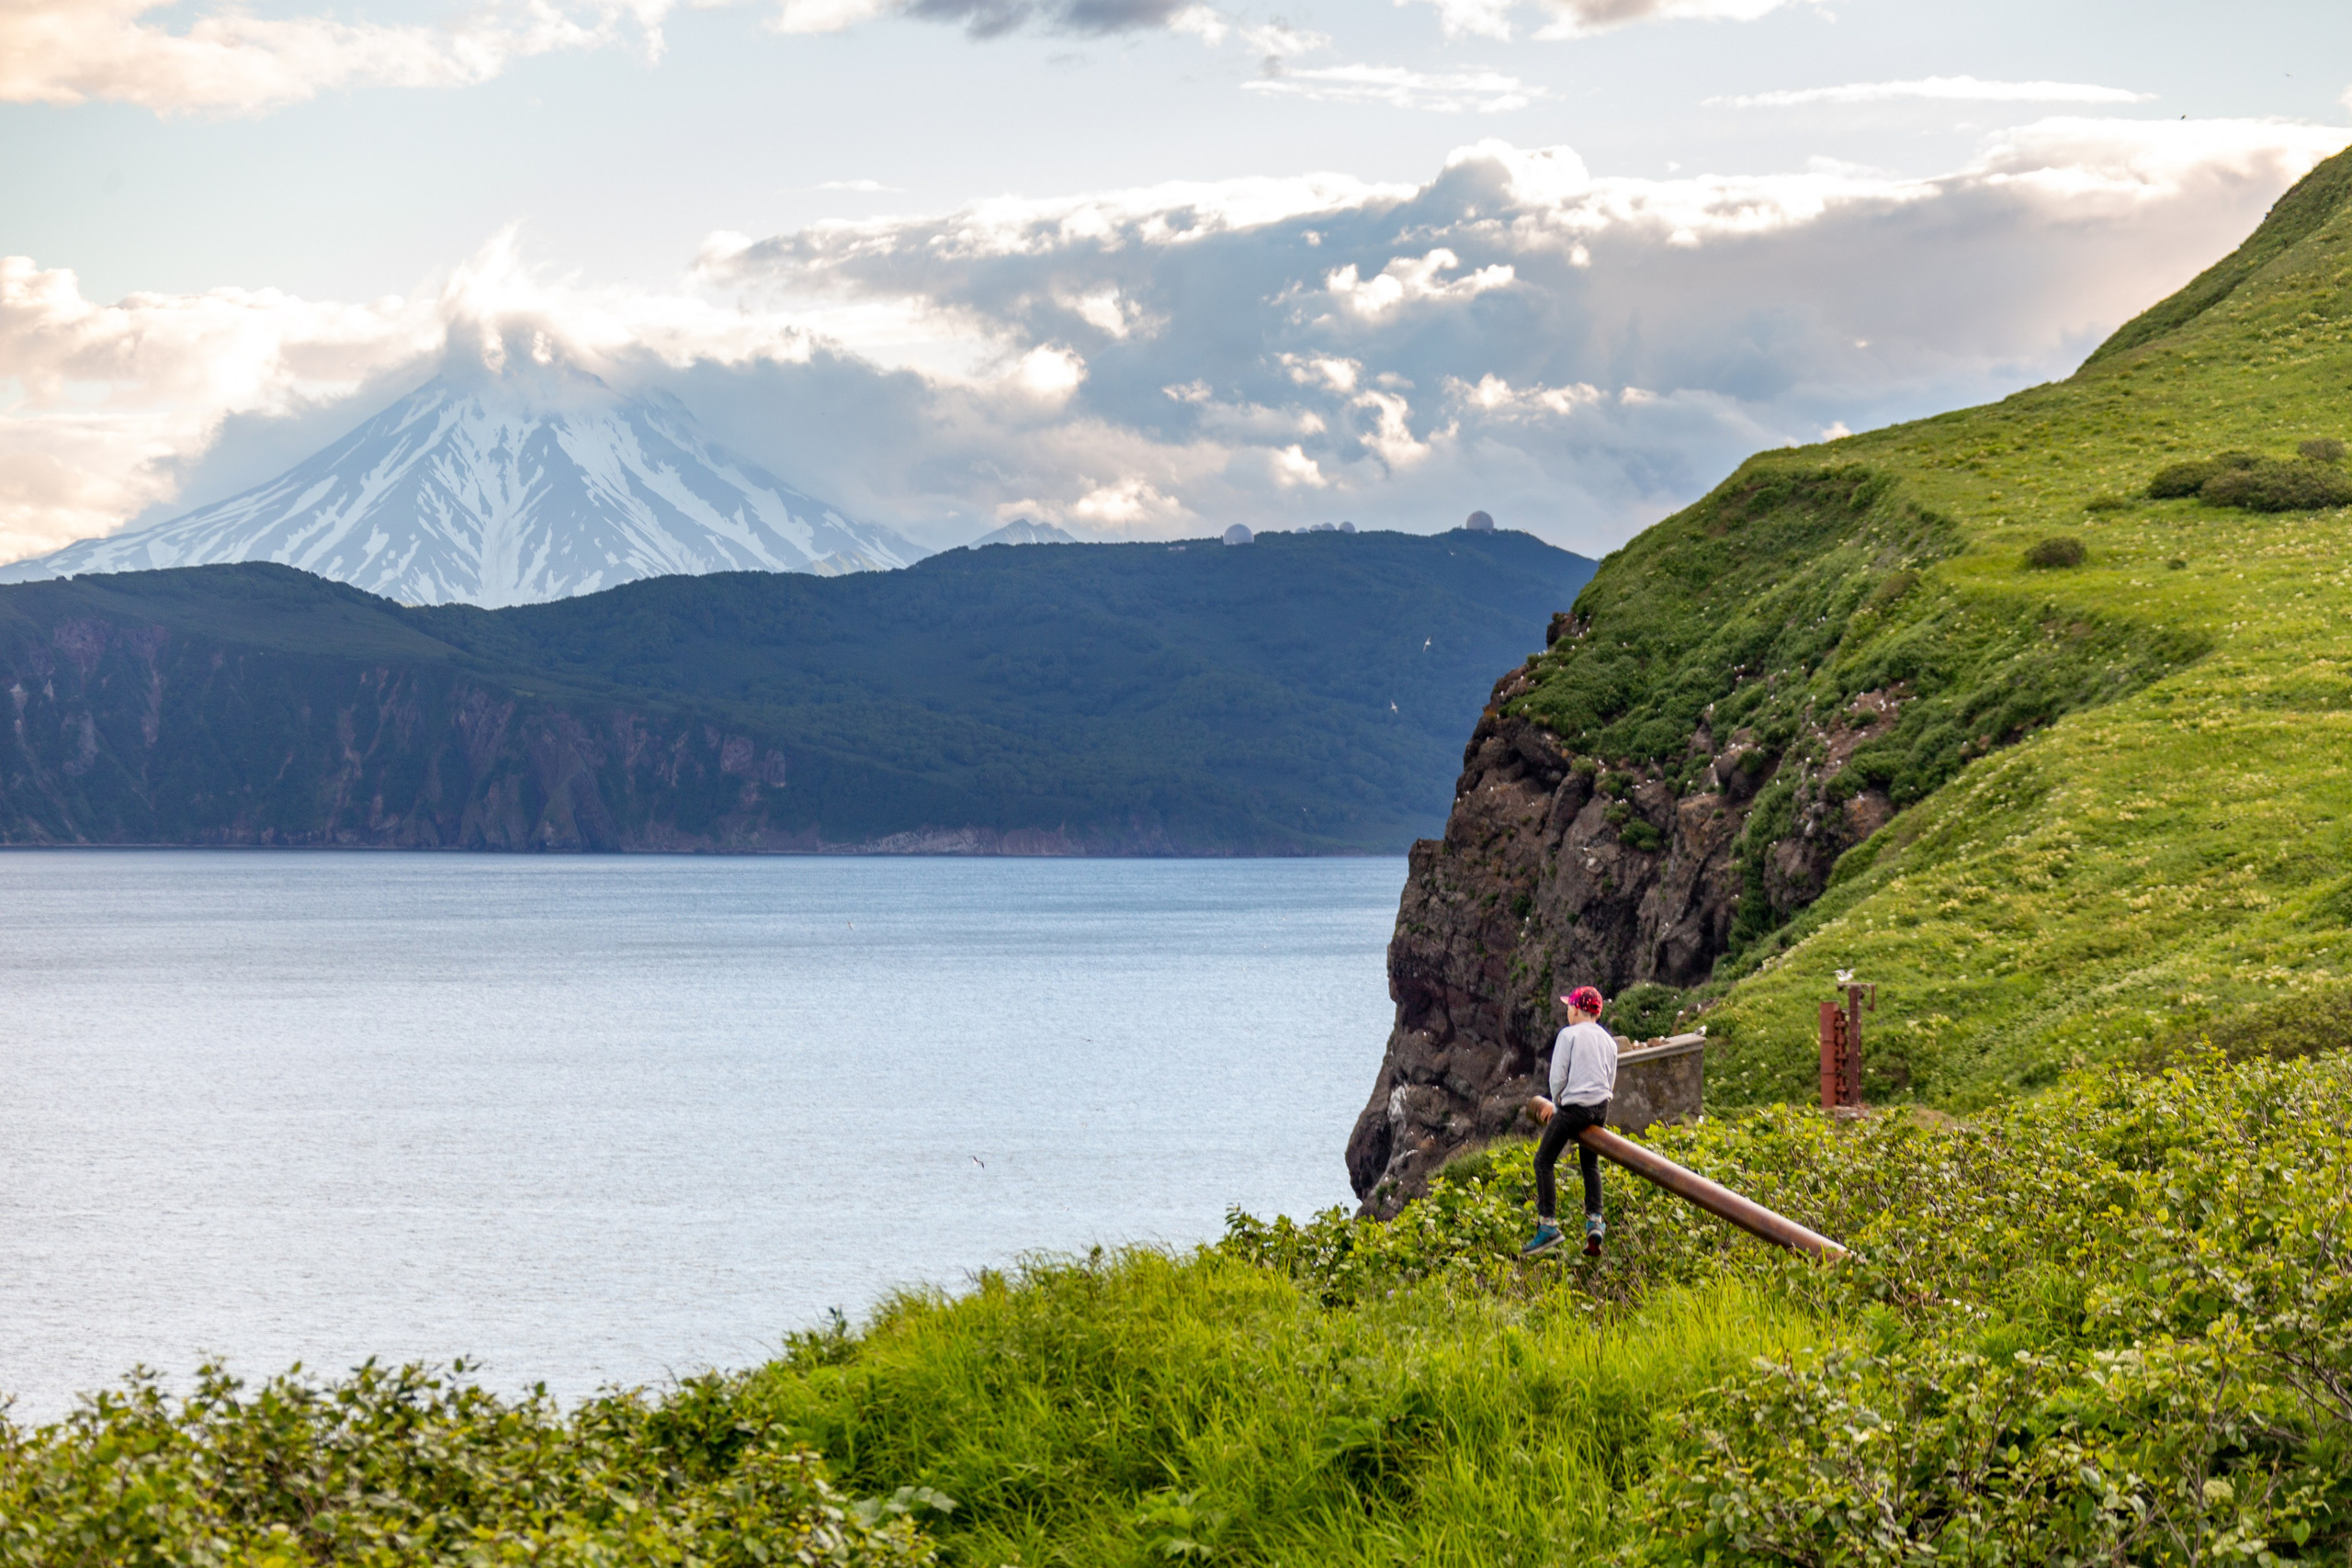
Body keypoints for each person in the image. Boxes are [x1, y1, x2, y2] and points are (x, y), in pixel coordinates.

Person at [1521, 985, 1618, 1258]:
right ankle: (1595, 1221)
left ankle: (1548, 1225)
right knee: (1590, 1164)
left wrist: (1557, 1102)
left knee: (1543, 1161)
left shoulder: (1568, 1035)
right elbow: (1610, 1078)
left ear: (1576, 1009)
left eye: (1568, 1006)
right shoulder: (1608, 1040)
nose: (1567, 1011)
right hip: (1600, 1107)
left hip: (1574, 1107)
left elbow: (1558, 1076)